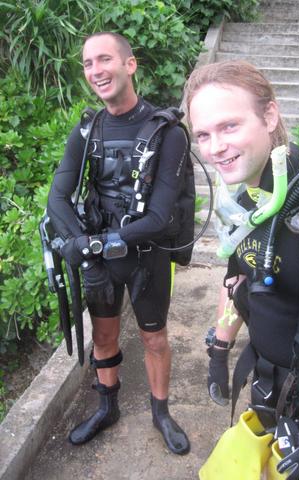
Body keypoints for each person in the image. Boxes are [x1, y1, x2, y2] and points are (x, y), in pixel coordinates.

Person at [184, 60, 299, 478]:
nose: (215, 149)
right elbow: (237, 275)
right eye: (203, 135)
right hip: (272, 392)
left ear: (269, 116)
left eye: (229, 127)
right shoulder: (247, 201)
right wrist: (219, 344)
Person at [46, 32, 190, 455]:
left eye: (104, 59)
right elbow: (58, 195)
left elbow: (160, 216)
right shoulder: (88, 128)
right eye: (88, 64)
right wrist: (77, 241)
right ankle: (107, 407)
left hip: (146, 256)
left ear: (130, 65)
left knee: (154, 338)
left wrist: (91, 244)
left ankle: (161, 412)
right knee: (104, 338)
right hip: (100, 258)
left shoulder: (168, 132)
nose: (95, 71)